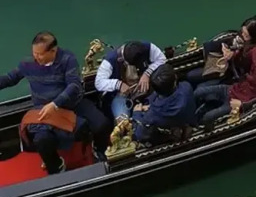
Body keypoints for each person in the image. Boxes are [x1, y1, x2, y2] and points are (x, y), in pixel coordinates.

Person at [0, 32, 110, 174]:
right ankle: (56, 165)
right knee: (42, 140)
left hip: (73, 104)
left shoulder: (67, 59)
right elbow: (10, 79)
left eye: (39, 54)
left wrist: (55, 104)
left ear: (53, 51)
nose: (36, 57)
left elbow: (74, 86)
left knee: (101, 124)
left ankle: (98, 151)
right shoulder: (27, 63)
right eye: (34, 53)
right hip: (43, 109)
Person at [194, 30, 256, 130]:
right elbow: (242, 61)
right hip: (234, 89)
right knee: (198, 92)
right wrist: (231, 55)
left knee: (208, 117)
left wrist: (243, 105)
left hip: (241, 102)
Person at [95, 41, 166, 123]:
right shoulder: (110, 60)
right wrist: (118, 85)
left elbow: (162, 59)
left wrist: (147, 73)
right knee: (123, 122)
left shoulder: (147, 47)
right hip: (121, 95)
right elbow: (98, 83)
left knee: (161, 106)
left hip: (146, 87)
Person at [186, 17, 256, 91]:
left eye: (246, 36)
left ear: (253, 37)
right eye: (242, 32)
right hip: (221, 66)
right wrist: (225, 49)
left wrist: (232, 56)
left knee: (200, 88)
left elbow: (245, 70)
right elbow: (224, 45)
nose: (242, 35)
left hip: (232, 76)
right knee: (191, 75)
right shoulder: (237, 37)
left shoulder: (254, 52)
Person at [132, 64, 196, 144]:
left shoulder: (152, 116)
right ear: (175, 79)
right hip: (189, 121)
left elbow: (140, 135)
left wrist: (137, 113)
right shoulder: (187, 87)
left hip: (170, 131)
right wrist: (151, 106)